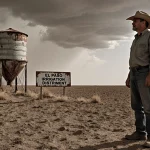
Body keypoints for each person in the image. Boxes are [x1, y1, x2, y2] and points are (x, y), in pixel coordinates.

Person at [125, 11, 150, 148]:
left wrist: (149, 75)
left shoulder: (149, 37)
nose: (133, 23)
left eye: (135, 21)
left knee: (148, 107)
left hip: (145, 73)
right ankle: (140, 132)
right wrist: (129, 76)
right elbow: (134, 60)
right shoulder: (136, 39)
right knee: (136, 106)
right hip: (134, 73)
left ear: (143, 22)